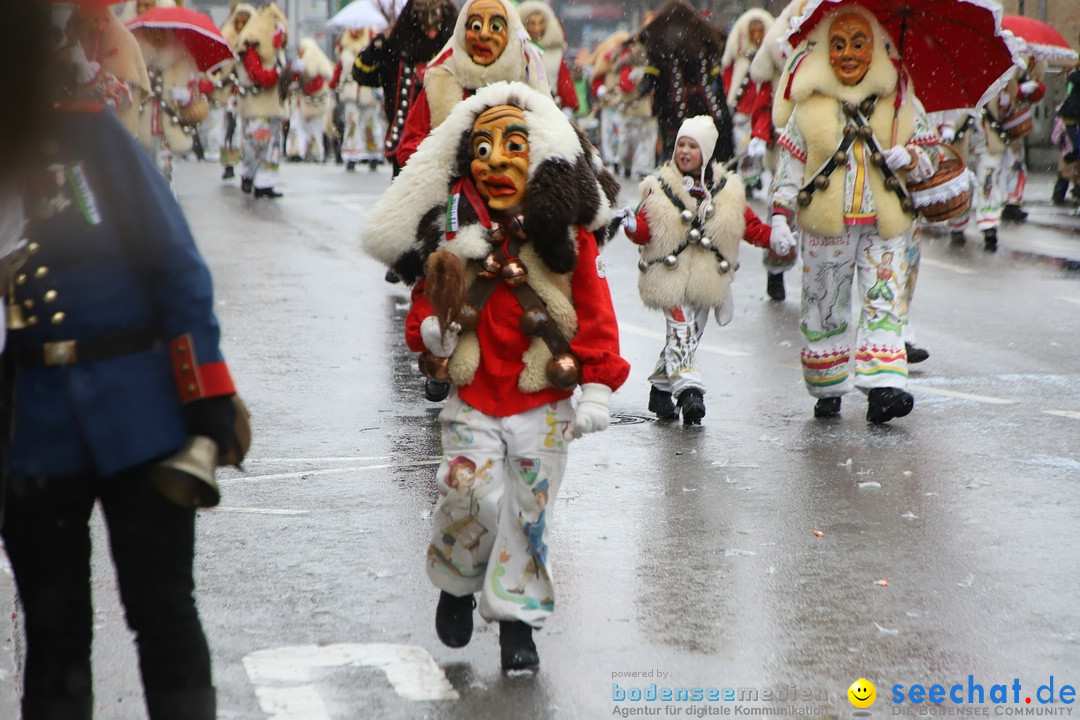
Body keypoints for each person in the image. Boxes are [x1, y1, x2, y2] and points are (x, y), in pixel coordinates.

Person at [1, 9, 247, 719]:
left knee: (162, 610)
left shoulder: (95, 138)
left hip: (140, 413)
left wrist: (205, 395)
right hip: (33, 426)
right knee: (53, 630)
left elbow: (178, 271)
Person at [361, 81, 627, 673]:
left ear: (539, 156)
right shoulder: (453, 233)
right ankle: (457, 581)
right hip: (475, 396)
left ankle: (517, 623)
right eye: (482, 149)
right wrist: (430, 331)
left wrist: (600, 384)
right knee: (470, 492)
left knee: (528, 513)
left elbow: (596, 311)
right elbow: (426, 305)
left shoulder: (571, 238)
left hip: (544, 399)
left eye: (513, 145)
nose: (497, 161)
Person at [770, 4, 942, 423]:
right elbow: (789, 164)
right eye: (839, 45)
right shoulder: (808, 106)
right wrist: (779, 215)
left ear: (876, 49)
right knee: (825, 306)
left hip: (885, 224)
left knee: (885, 302)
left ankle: (884, 389)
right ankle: (828, 387)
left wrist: (912, 156)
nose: (848, 54)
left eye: (859, 44)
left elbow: (933, 154)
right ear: (826, 52)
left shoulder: (901, 101)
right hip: (826, 225)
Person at [618, 116, 779, 424]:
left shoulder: (726, 190)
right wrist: (631, 226)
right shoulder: (659, 187)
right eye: (681, 144)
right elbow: (645, 232)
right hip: (668, 276)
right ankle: (690, 393)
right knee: (681, 330)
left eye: (693, 146)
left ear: (705, 152)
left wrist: (776, 238)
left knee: (693, 334)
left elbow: (750, 227)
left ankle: (661, 391)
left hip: (706, 278)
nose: (685, 151)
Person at [393, 0, 548, 169]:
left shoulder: (526, 82)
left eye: (496, 26)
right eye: (475, 26)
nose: (484, 34)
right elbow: (408, 149)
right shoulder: (441, 80)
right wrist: (450, 166)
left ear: (510, 34)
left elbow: (548, 146)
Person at [353, 0, 458, 177]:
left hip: (446, 145)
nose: (431, 28)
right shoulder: (397, 50)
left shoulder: (454, 52)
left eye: (435, 16)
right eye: (424, 16)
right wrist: (379, 44)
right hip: (406, 146)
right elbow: (362, 74)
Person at [635, 0, 733, 163]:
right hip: (673, 109)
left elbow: (714, 75)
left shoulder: (702, 46)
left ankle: (705, 170)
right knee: (675, 148)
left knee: (701, 145)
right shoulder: (663, 49)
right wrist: (645, 86)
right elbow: (652, 73)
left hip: (697, 107)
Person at [234, 2, 289, 198]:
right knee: (257, 140)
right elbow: (259, 75)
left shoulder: (276, 49)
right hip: (257, 102)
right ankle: (248, 175)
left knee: (272, 145)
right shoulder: (252, 44)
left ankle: (266, 183)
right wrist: (277, 75)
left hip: (273, 103)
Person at [721, 8, 774, 197]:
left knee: (759, 149)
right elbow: (727, 73)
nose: (757, 36)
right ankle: (747, 181)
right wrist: (730, 93)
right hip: (742, 109)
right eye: (754, 32)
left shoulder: (769, 56)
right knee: (742, 146)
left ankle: (755, 176)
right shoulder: (740, 54)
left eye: (761, 31)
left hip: (762, 109)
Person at [517, 1, 578, 114]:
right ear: (524, 24)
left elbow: (563, 80)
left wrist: (568, 105)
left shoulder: (555, 53)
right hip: (522, 106)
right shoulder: (517, 49)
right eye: (532, 23)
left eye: (541, 22)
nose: (537, 28)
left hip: (550, 106)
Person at [285, 38, 334, 163]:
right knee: (297, 126)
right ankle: (297, 151)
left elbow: (319, 83)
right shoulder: (299, 63)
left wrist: (304, 85)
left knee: (315, 127)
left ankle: (315, 152)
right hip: (301, 102)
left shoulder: (318, 64)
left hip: (314, 102)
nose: (299, 53)